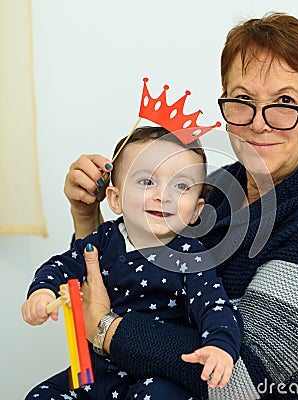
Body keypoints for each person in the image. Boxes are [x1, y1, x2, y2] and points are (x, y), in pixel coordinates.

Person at [62, 11, 298, 400]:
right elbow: (126, 283)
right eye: (243, 100)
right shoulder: (217, 188)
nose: (259, 123)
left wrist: (107, 329)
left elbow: (237, 380)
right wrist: (86, 216)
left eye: (285, 101)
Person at [22, 126, 243, 399]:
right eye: (147, 182)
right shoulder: (103, 239)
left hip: (157, 376)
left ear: (196, 210)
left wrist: (219, 346)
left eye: (181, 185)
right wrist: (42, 291)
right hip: (97, 372)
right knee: (42, 394)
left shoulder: (191, 256)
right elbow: (61, 266)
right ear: (115, 199)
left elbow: (214, 306)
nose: (164, 195)